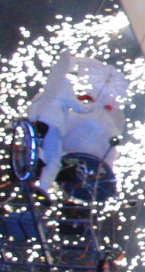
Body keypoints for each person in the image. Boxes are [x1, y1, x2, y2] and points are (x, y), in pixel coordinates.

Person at [23, 53, 128, 195]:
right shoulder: (67, 92)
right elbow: (80, 108)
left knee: (52, 152)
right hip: (58, 127)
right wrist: (94, 106)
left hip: (42, 125)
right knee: (54, 159)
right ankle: (43, 185)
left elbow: (34, 109)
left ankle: (36, 168)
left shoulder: (46, 93)